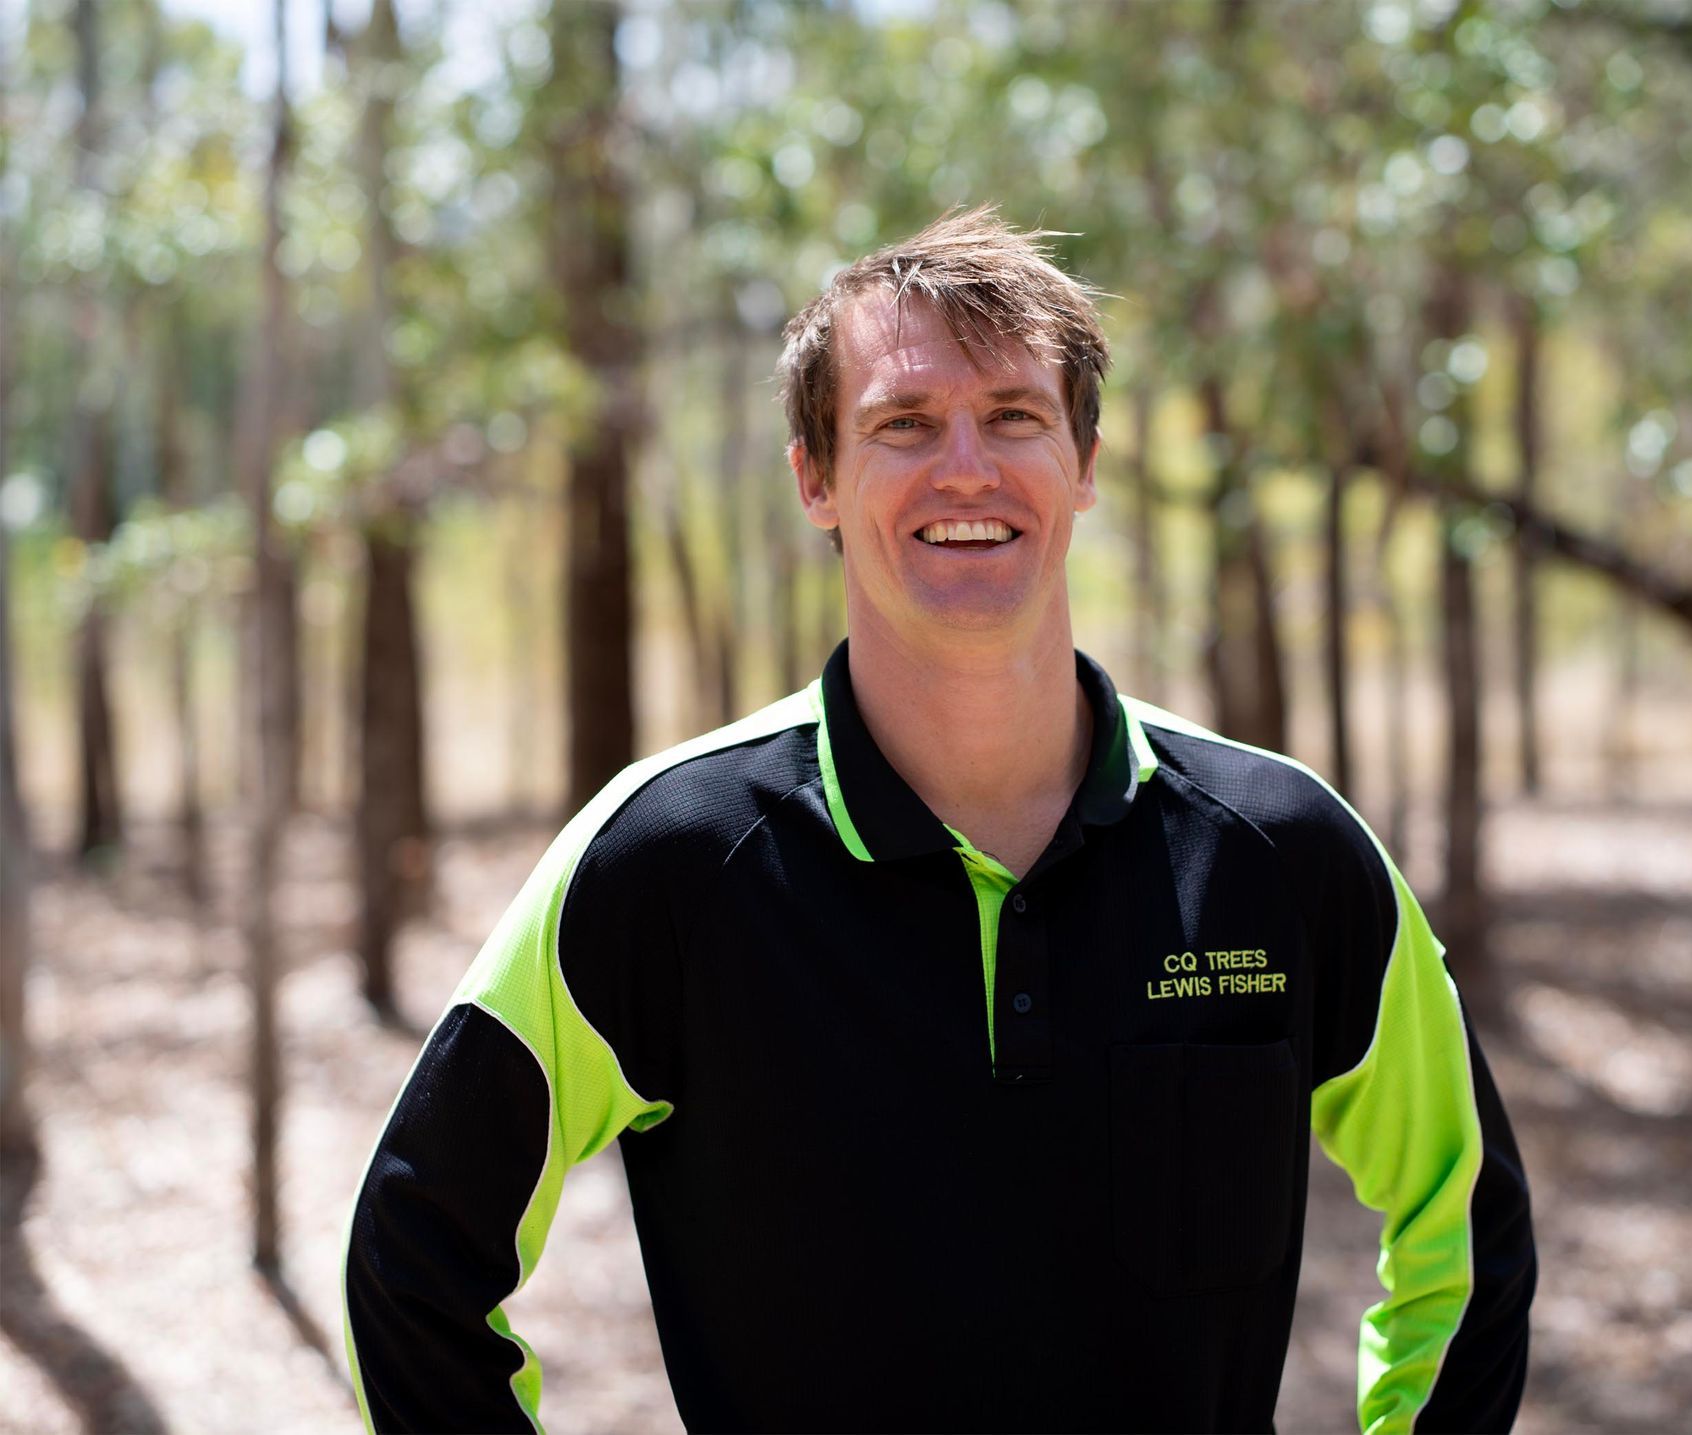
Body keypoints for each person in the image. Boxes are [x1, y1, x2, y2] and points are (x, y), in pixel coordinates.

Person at [341, 208, 1534, 1435]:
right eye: (903, 424)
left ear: (1085, 463)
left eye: (1014, 415)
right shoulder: (669, 861)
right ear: (816, 479)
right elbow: (412, 1263)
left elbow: (1468, 1231)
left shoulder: (1280, 849)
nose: (966, 465)